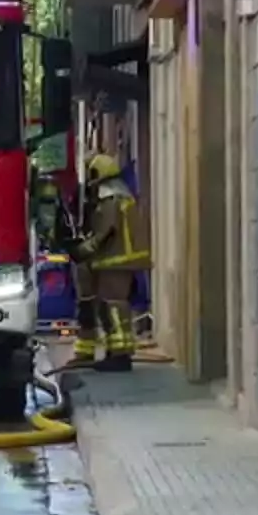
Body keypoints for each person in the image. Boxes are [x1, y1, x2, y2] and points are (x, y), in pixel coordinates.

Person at [71, 153, 151, 372]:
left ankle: (120, 355)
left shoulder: (111, 198)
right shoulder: (121, 194)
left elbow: (105, 231)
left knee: (114, 305)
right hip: (116, 260)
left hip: (116, 260)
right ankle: (115, 352)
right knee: (110, 305)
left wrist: (83, 249)